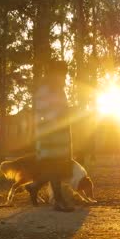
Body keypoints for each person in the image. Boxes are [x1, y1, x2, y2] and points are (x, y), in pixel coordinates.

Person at [25, 60, 75, 212]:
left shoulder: (59, 89)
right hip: (49, 135)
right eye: (62, 74)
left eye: (65, 74)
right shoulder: (45, 90)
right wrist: (58, 117)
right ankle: (58, 201)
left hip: (59, 135)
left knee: (56, 168)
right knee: (55, 167)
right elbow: (42, 112)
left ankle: (34, 187)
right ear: (54, 73)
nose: (64, 77)